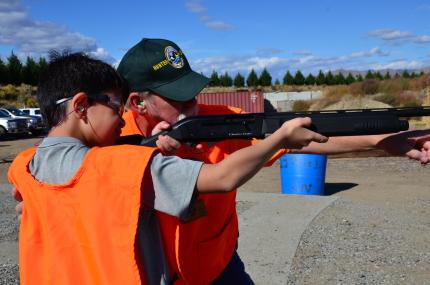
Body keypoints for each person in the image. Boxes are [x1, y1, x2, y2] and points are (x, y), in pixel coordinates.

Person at [115, 38, 430, 284]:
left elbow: (302, 139)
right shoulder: (110, 142)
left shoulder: (224, 121)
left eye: (193, 93)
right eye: (178, 98)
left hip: (218, 265)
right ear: (137, 102)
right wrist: (147, 154)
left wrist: (384, 141)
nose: (193, 105)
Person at [7, 52, 327, 285]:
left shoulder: (24, 165)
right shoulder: (121, 164)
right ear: (80, 106)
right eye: (116, 106)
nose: (121, 118)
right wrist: (281, 139)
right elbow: (223, 177)